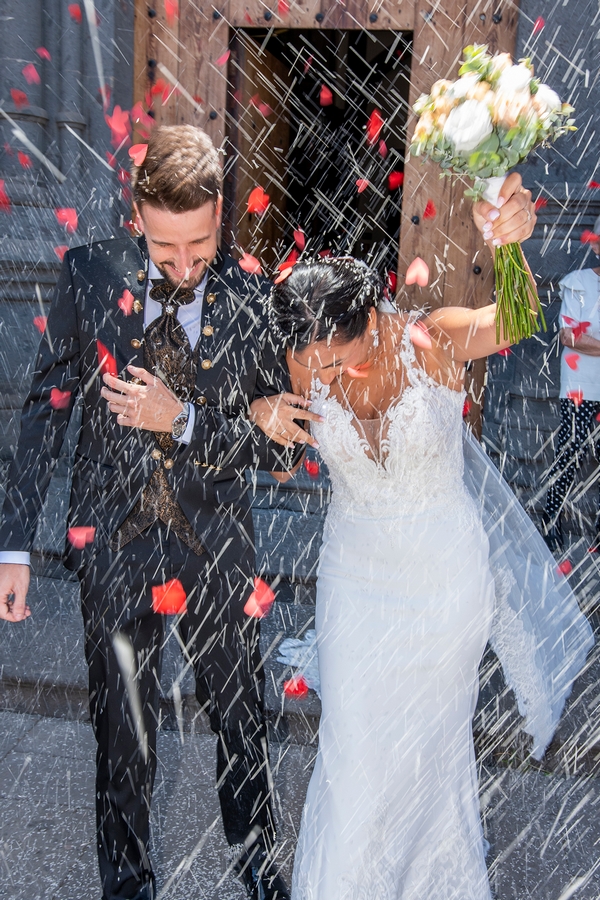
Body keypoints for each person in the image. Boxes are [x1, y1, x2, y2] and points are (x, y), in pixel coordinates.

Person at [0, 125, 319, 900]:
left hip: (216, 544)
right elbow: (46, 408)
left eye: (200, 248)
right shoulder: (87, 274)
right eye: (166, 248)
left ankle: (259, 874)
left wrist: (182, 420)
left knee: (242, 727)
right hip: (113, 543)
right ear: (137, 213)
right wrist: (11, 547)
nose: (182, 266)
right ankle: (128, 888)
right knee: (123, 737)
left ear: (219, 216)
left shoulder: (250, 296)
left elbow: (281, 450)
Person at [262, 174, 593, 900]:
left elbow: (518, 316)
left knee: (426, 754)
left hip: (443, 583)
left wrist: (510, 246)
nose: (314, 379)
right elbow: (264, 412)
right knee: (353, 754)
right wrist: (263, 414)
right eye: (304, 367)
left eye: (330, 363)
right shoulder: (300, 353)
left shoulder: (431, 339)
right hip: (356, 576)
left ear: (369, 324)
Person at [542, 215, 600, 553]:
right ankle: (551, 527)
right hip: (581, 389)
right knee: (568, 458)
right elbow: (568, 336)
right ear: (594, 245)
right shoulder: (577, 282)